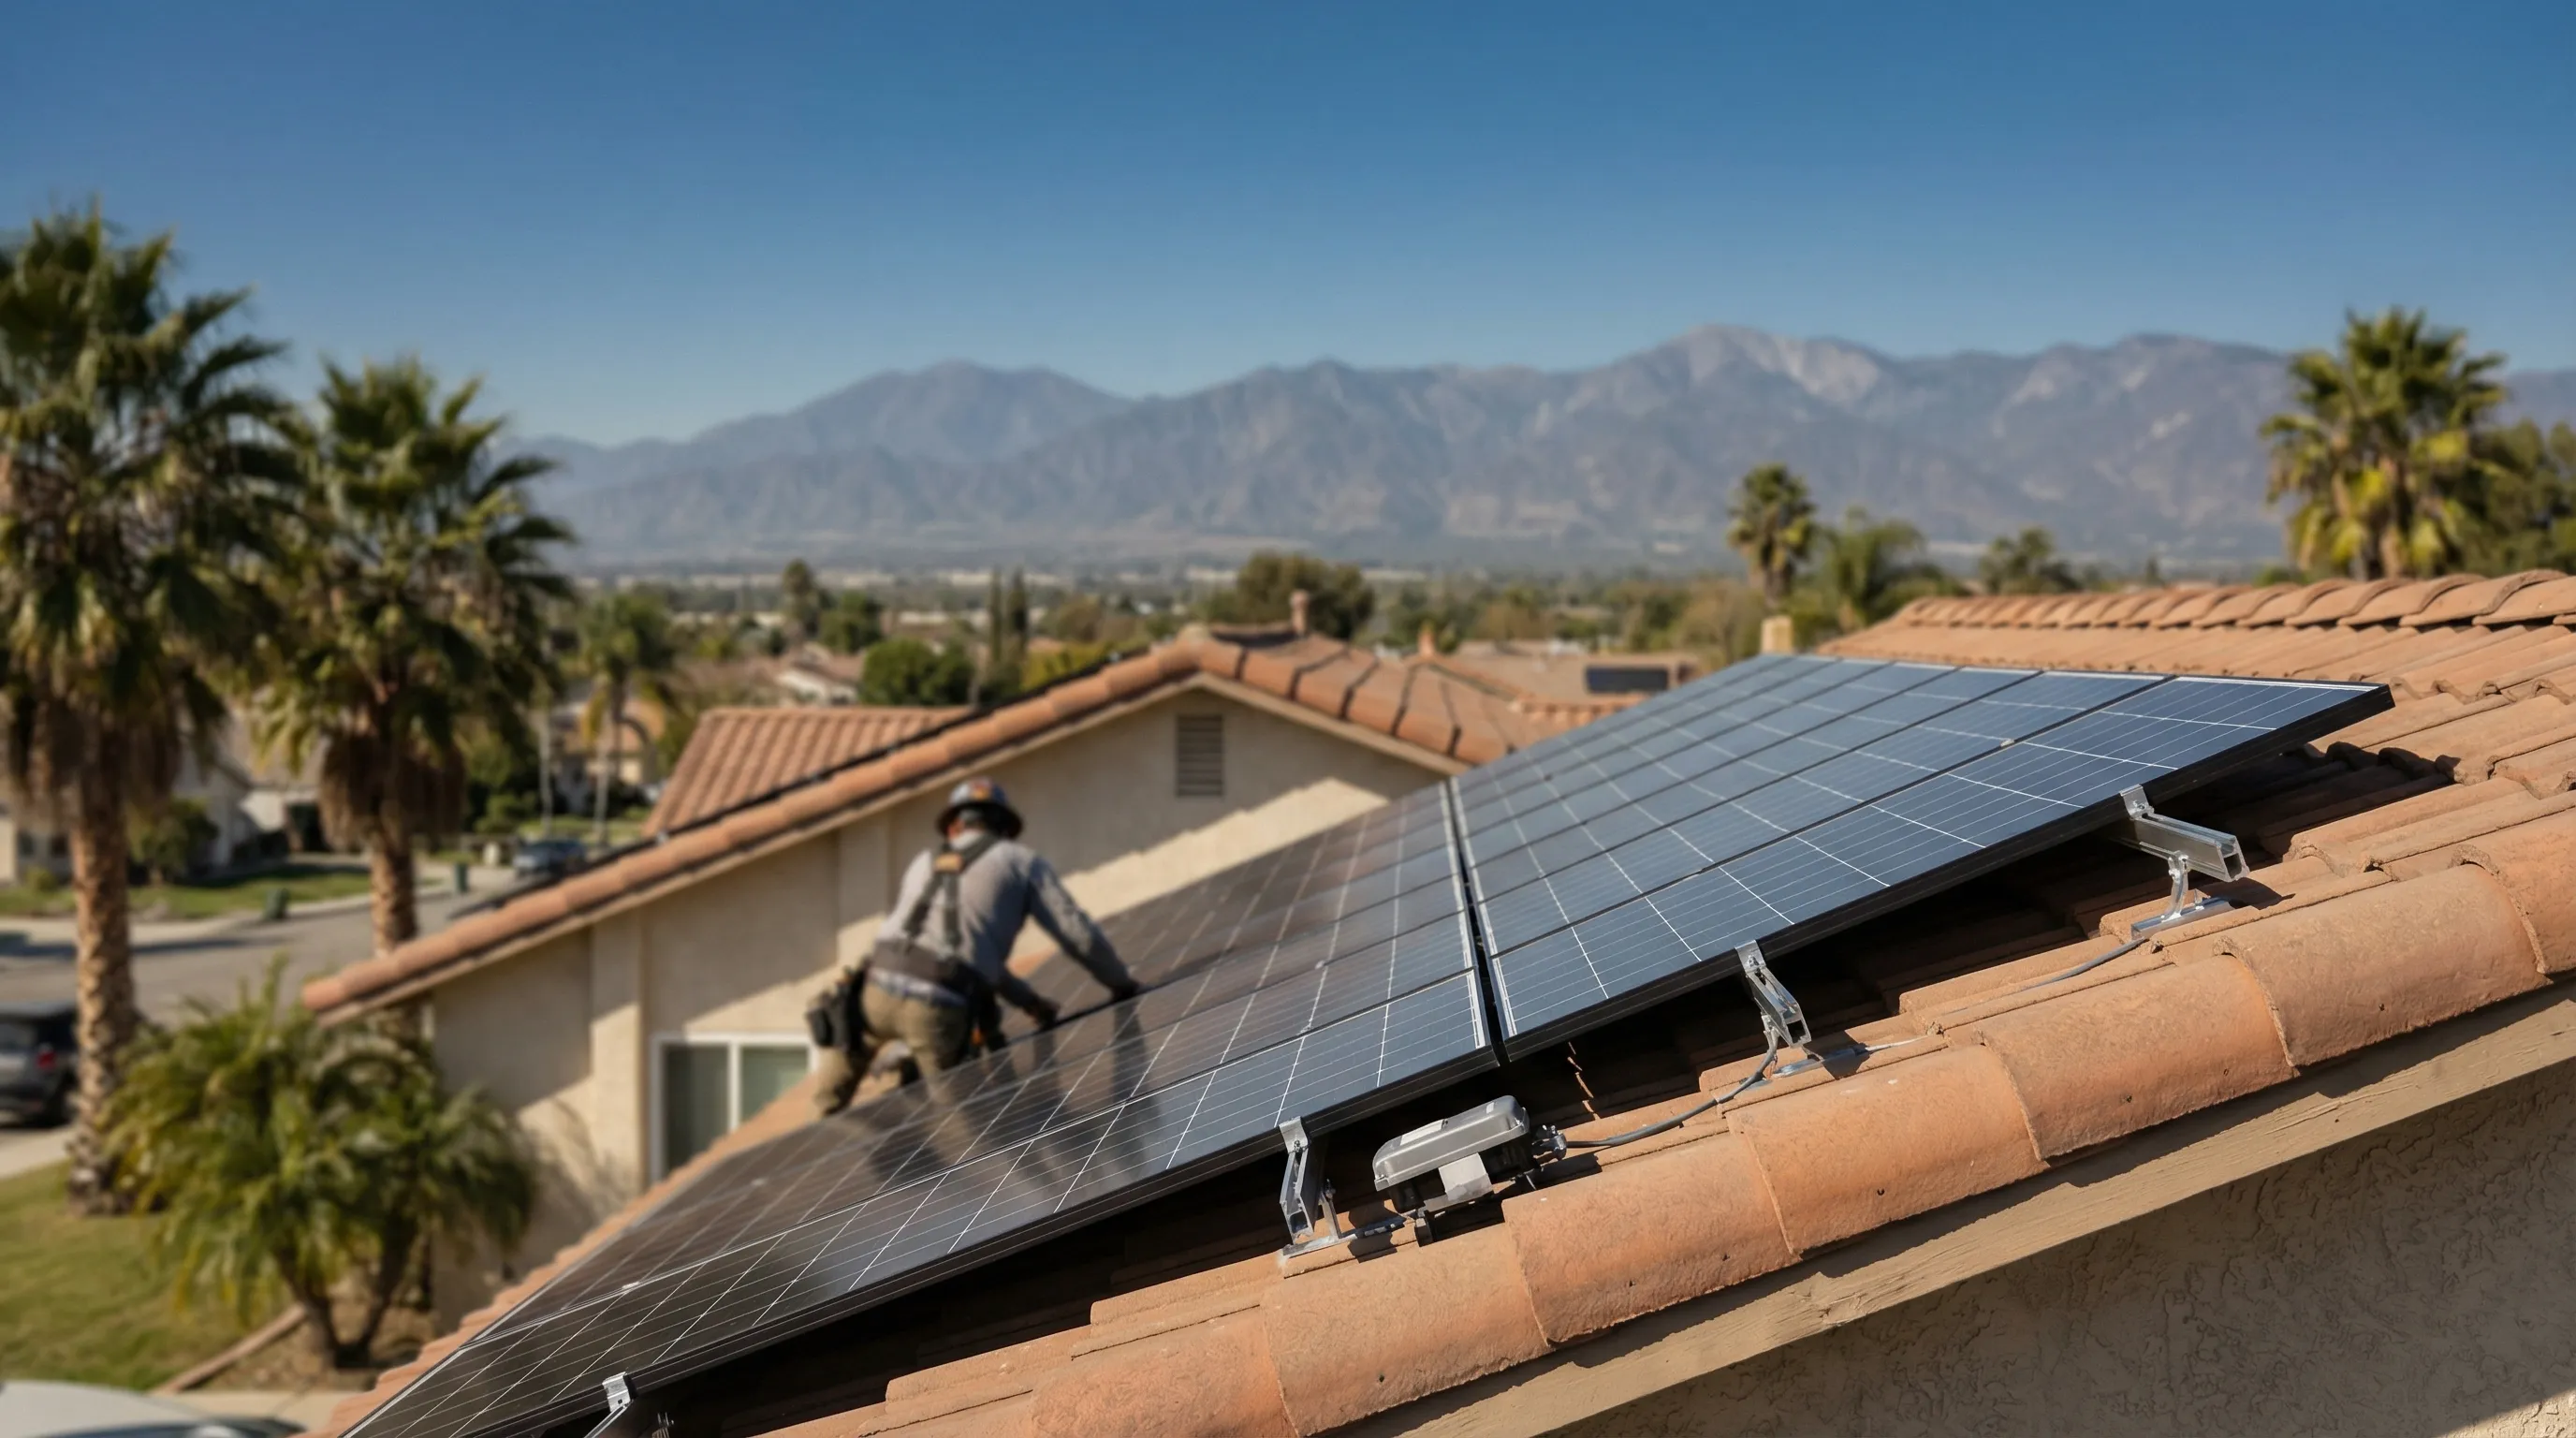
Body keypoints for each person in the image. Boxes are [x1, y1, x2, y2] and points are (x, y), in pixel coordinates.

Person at [811, 776, 1138, 1117]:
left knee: (829, 1107)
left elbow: (966, 960)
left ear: (954, 826)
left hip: (873, 994)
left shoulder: (925, 861)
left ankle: (820, 1126)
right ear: (1006, 829)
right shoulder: (1022, 863)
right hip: (935, 1007)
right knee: (963, 1127)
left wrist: (1031, 1002)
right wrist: (1120, 983)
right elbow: (1076, 934)